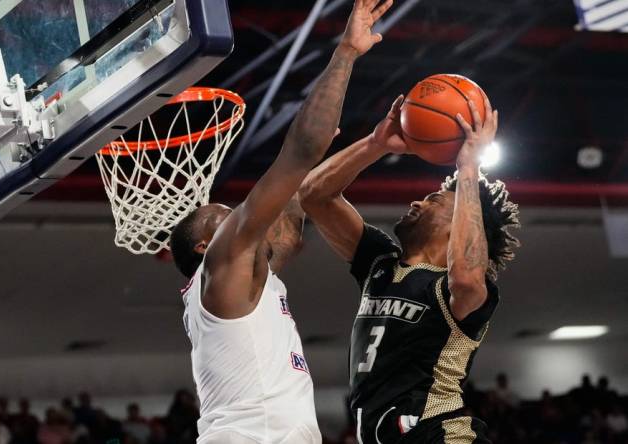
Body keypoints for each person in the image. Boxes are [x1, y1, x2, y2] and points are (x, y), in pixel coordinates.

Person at [168, 0, 394, 442]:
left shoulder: (249, 279)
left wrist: (373, 144)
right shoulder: (224, 260)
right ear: (204, 247)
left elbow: (289, 226)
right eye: (225, 216)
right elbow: (299, 153)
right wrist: (345, 53)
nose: (236, 216)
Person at [299, 88, 520, 441]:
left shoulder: (461, 289)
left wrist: (468, 167)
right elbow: (313, 195)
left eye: (433, 200)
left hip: (437, 433)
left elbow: (465, 277)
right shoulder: (379, 262)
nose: (417, 201)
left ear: (457, 225)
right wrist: (375, 144)